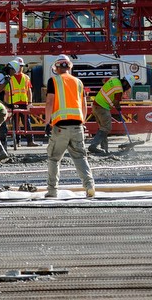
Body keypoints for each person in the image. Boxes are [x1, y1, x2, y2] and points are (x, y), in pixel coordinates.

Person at [43, 54, 95, 199]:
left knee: (54, 158)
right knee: (80, 158)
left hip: (60, 127)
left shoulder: (54, 81)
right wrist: (83, 123)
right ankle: (89, 186)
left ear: (57, 68)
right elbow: (84, 105)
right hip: (78, 125)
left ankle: (52, 191)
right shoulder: (78, 82)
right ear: (70, 67)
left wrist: (47, 122)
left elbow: (49, 102)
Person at [88, 75, 131, 154]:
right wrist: (119, 108)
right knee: (107, 128)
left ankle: (104, 149)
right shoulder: (119, 89)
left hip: (95, 105)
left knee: (103, 128)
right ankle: (93, 146)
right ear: (126, 84)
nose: (127, 89)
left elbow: (104, 80)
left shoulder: (113, 79)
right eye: (128, 87)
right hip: (102, 107)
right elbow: (116, 103)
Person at [7, 58, 35, 146]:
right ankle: (17, 142)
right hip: (14, 103)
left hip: (24, 103)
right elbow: (7, 93)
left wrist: (30, 103)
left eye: (22, 66)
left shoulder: (26, 77)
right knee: (15, 123)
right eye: (19, 66)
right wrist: (7, 105)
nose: (20, 68)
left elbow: (29, 90)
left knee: (27, 122)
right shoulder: (10, 78)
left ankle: (30, 141)